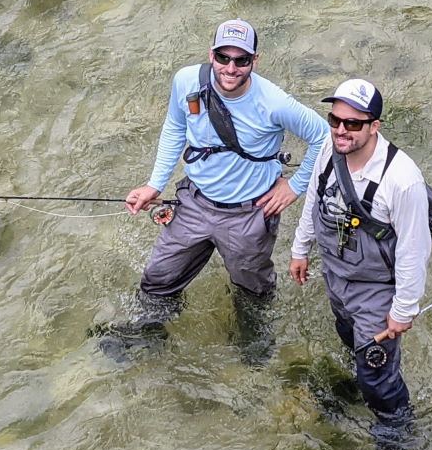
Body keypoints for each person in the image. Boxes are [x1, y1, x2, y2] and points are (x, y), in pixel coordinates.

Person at [109, 18, 329, 364]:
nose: (230, 68)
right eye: (223, 57)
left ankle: (253, 345)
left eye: (241, 60)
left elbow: (324, 136)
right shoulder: (186, 82)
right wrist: (155, 184)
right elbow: (174, 127)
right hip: (194, 203)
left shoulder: (275, 102)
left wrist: (295, 185)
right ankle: (150, 333)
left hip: (249, 215)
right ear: (210, 54)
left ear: (255, 61)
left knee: (253, 292)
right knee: (157, 281)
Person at [288, 78, 432, 450]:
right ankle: (360, 388)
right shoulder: (327, 149)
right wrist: (301, 249)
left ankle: (396, 440)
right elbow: (314, 201)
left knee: (378, 377)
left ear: (375, 126)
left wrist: (403, 309)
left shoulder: (402, 180)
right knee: (346, 336)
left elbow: (413, 251)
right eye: (335, 119)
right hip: (336, 275)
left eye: (353, 123)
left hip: (376, 290)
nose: (340, 130)